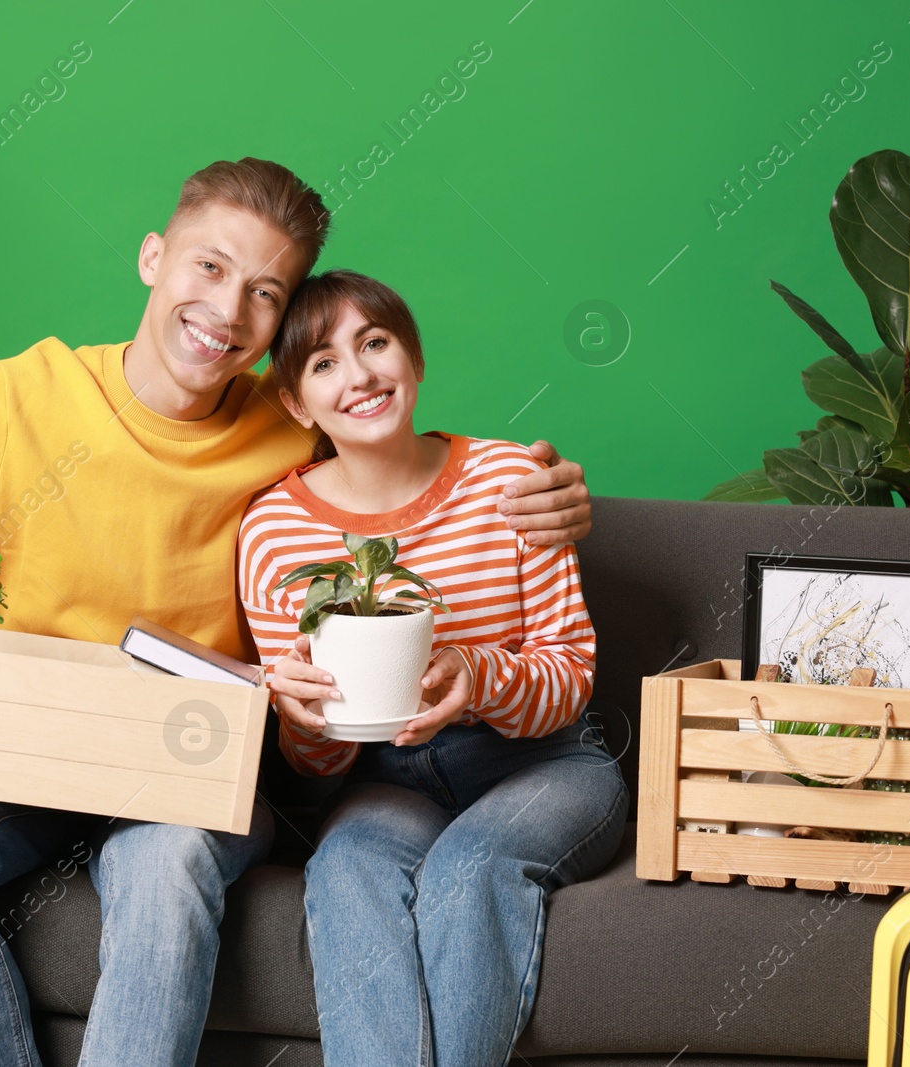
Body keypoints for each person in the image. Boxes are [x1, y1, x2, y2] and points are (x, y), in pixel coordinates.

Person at [0, 159, 594, 1067]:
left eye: (265, 292)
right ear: (154, 257)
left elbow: (402, 467)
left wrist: (551, 496)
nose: (227, 313)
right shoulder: (5, 398)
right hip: (19, 756)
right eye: (209, 268)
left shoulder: (289, 424)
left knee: (165, 865)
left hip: (190, 770)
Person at [238, 271, 628, 1067]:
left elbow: (569, 674)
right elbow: (315, 764)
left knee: (473, 866)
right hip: (386, 779)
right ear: (295, 403)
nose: (359, 374)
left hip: (542, 761)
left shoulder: (512, 482)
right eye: (323, 363)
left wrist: (474, 677)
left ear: (413, 359)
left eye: (375, 343)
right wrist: (302, 720)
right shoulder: (274, 532)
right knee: (344, 866)